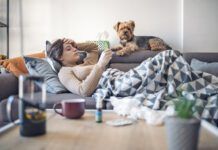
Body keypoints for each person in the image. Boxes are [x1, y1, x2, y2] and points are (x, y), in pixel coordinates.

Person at [47, 38, 112, 97]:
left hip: (115, 76)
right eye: (68, 49)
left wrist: (76, 45)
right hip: (112, 84)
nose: (75, 49)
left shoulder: (87, 62)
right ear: (60, 57)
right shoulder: (64, 72)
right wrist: (100, 65)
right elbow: (82, 91)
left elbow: (94, 47)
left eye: (74, 47)